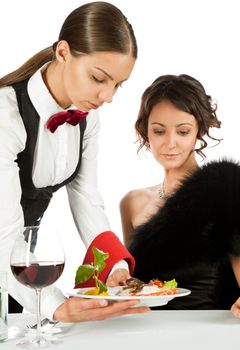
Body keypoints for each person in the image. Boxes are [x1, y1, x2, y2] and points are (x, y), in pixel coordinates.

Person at [0, 1, 150, 322]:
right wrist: (56, 306)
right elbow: (4, 232)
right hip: (8, 260)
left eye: (117, 85)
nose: (108, 97)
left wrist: (116, 268)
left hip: (14, 277)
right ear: (64, 53)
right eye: (99, 78)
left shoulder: (86, 120)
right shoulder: (5, 115)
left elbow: (87, 200)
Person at [120, 74, 240, 318]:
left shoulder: (226, 188)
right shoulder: (132, 203)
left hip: (211, 330)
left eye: (183, 131)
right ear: (145, 132)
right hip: (144, 330)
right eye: (159, 131)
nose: (170, 143)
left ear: (198, 132)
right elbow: (131, 286)